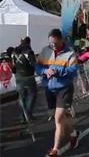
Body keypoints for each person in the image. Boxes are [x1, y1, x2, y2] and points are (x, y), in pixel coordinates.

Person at [36, 29, 79, 157]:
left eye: (55, 43)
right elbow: (37, 66)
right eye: (50, 43)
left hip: (64, 88)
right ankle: (73, 134)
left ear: (61, 40)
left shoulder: (70, 53)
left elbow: (73, 70)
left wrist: (57, 71)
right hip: (49, 88)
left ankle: (54, 150)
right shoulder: (45, 50)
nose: (52, 45)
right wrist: (45, 71)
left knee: (58, 118)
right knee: (61, 119)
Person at [11, 37, 37, 121]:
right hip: (28, 76)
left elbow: (13, 66)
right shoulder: (28, 52)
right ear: (28, 43)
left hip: (18, 76)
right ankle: (28, 114)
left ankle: (23, 116)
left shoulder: (14, 52)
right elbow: (33, 64)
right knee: (32, 94)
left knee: (22, 96)